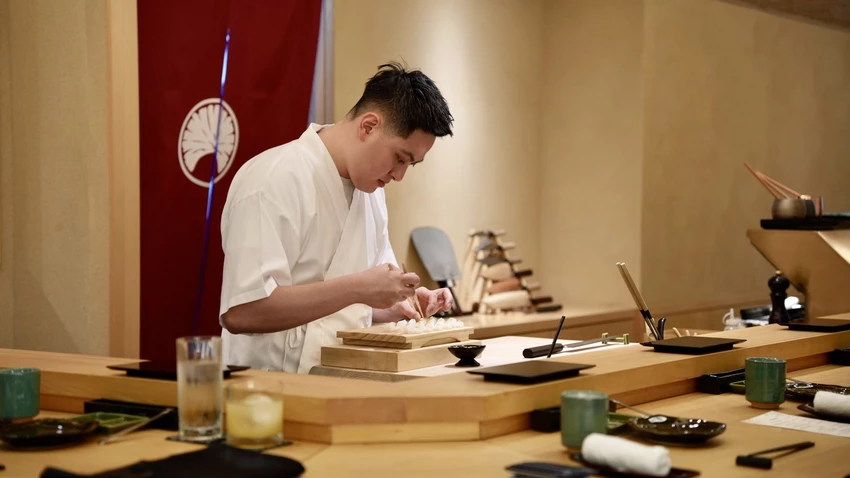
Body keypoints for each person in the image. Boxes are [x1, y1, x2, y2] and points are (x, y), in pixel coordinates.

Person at [218, 62, 456, 373]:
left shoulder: (372, 194)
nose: (399, 176)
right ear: (368, 127)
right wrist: (358, 288)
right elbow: (242, 311)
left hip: (341, 381)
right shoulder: (272, 178)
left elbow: (350, 308)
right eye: (399, 158)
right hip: (265, 387)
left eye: (410, 165)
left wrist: (398, 303)